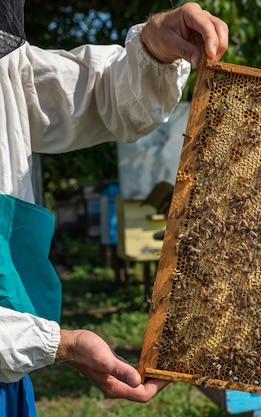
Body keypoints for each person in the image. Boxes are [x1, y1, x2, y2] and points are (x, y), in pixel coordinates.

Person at [0, 1, 228, 415]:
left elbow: (83, 93)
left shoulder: (8, 69)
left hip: (10, 383)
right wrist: (60, 345)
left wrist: (154, 50)